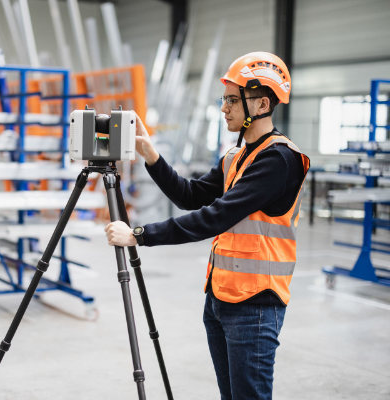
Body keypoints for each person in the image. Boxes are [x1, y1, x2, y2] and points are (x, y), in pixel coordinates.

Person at [104, 52, 310, 400]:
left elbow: (215, 215)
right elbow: (191, 195)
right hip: (221, 296)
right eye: (224, 99)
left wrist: (140, 234)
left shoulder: (280, 159)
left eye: (232, 100)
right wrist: (151, 155)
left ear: (261, 103)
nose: (224, 108)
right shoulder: (236, 155)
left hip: (256, 303)